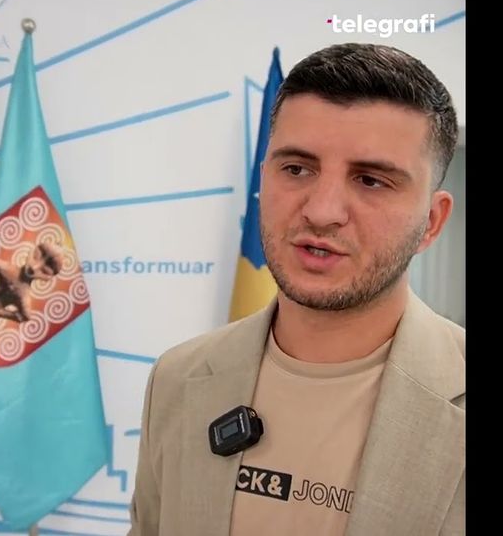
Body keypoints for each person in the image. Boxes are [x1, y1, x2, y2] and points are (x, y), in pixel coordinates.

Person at [127, 42, 465, 536]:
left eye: (371, 180)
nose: (321, 211)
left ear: (431, 222)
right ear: (264, 180)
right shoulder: (177, 379)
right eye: (297, 169)